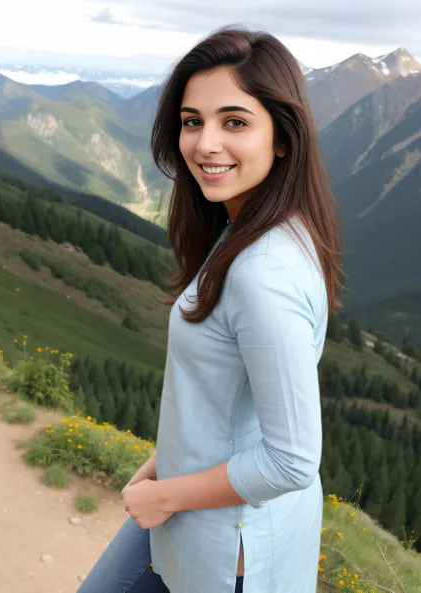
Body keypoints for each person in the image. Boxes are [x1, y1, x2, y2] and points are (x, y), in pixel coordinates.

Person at [77, 25, 343, 593]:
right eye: (193, 121)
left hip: (227, 548)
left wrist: (163, 494)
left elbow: (292, 460)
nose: (204, 144)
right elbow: (229, 401)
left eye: (235, 122)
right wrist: (161, 464)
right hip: (196, 506)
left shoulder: (263, 272)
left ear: (282, 138)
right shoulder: (250, 229)